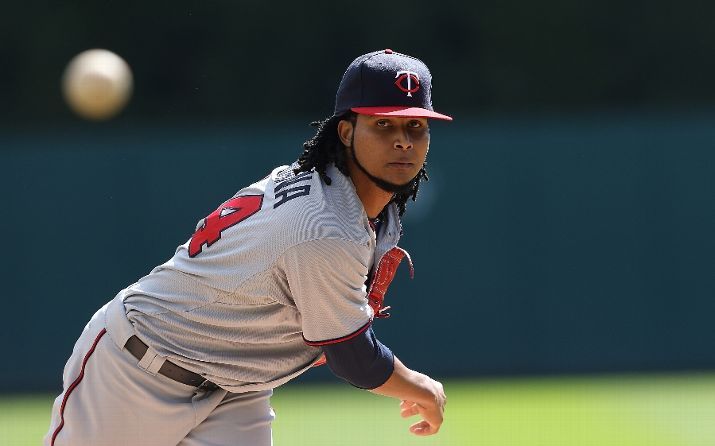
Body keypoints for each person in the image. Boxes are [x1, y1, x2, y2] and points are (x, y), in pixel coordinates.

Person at [45, 48, 453, 446]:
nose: (403, 141)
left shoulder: (350, 198)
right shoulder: (323, 226)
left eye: (416, 126)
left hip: (235, 388)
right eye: (383, 124)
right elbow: (353, 357)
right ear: (346, 132)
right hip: (137, 369)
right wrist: (421, 387)